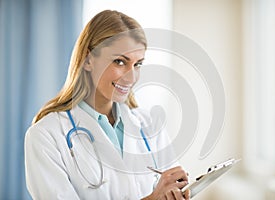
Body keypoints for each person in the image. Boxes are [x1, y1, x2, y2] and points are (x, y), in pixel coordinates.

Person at [25, 10, 190, 200]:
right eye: (120, 62)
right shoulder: (46, 135)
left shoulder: (149, 126)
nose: (131, 77)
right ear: (88, 60)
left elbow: (170, 188)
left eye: (137, 64)